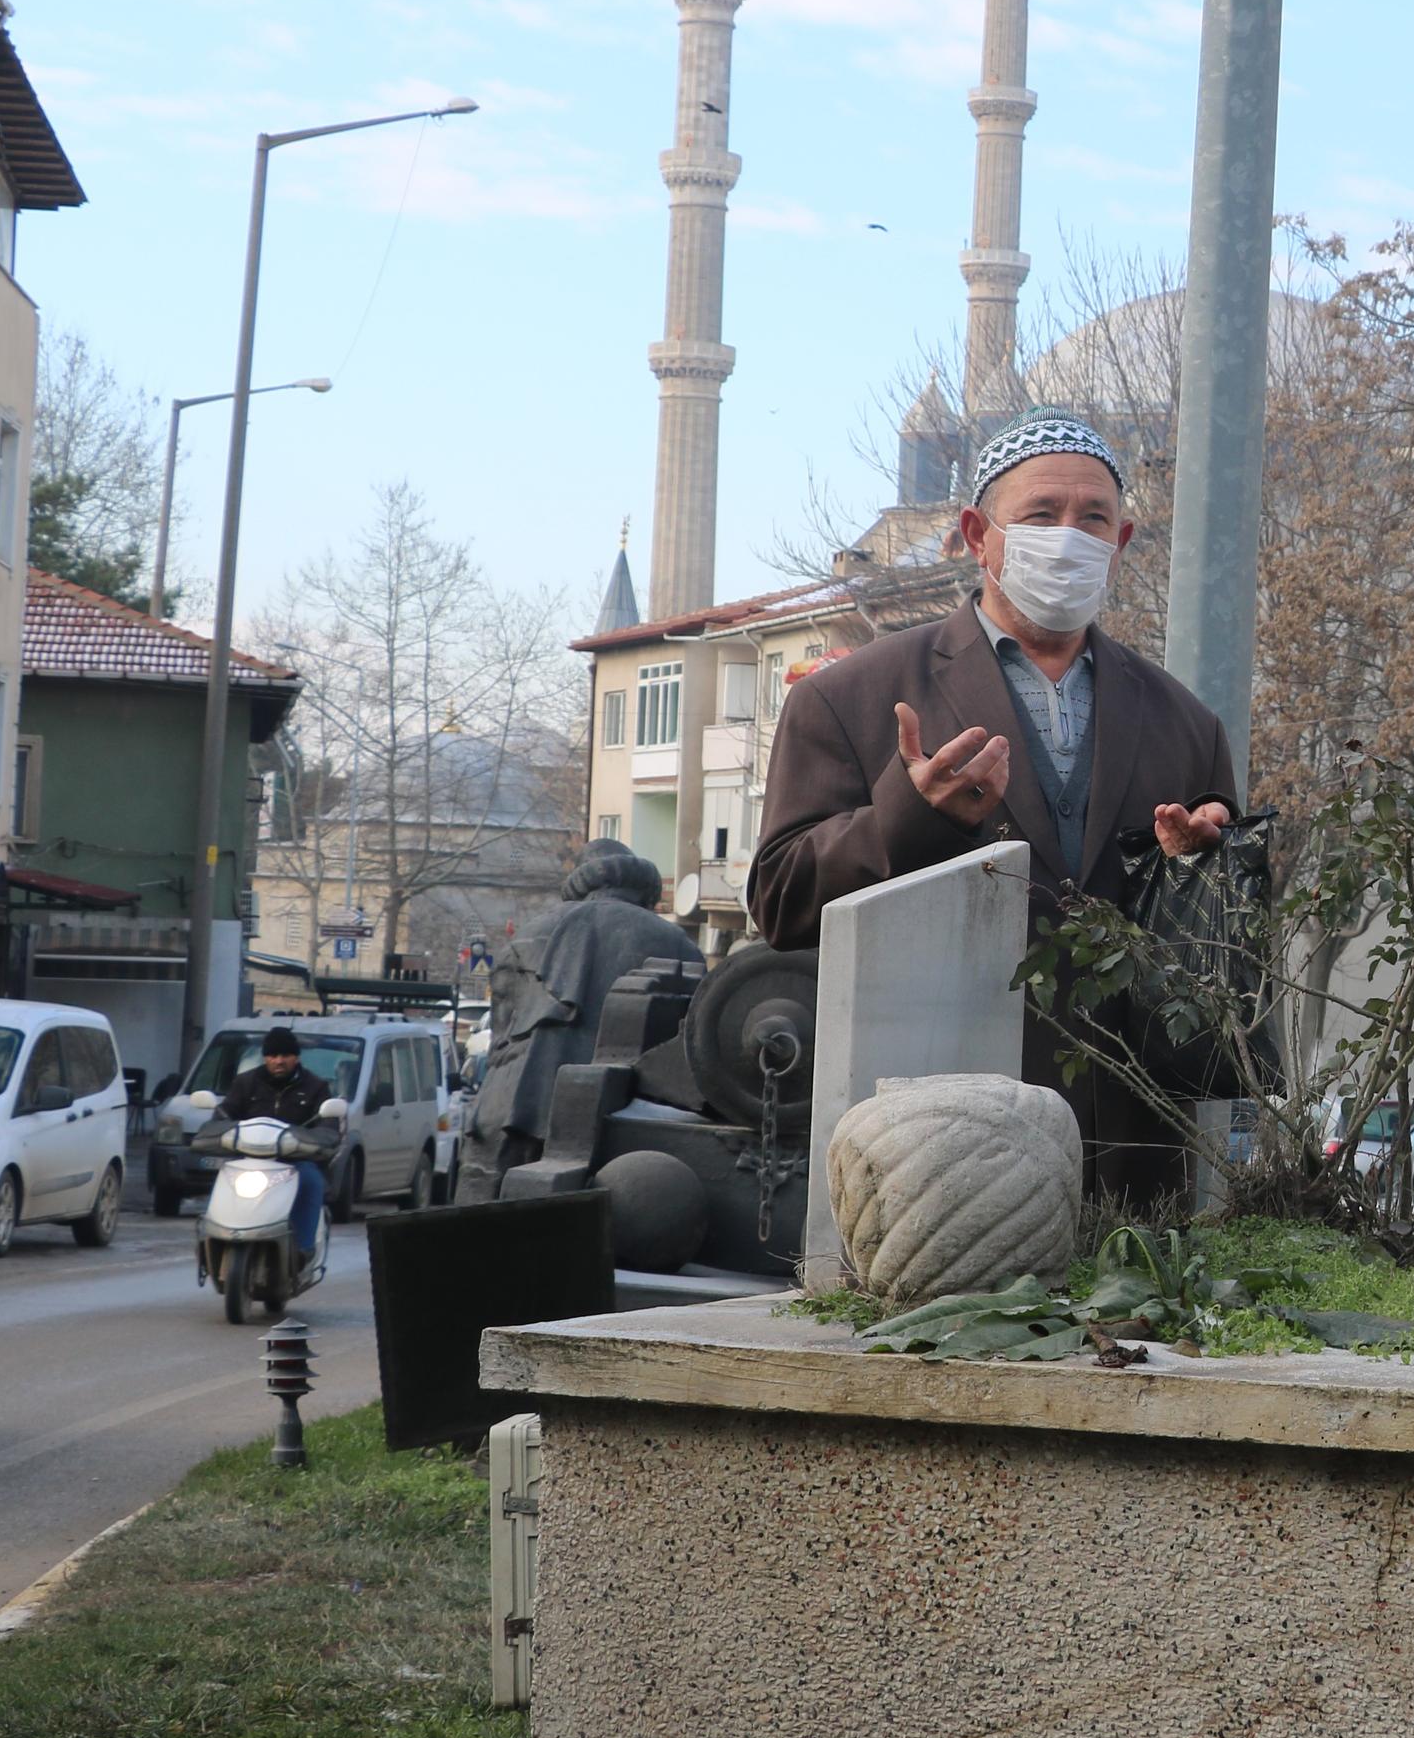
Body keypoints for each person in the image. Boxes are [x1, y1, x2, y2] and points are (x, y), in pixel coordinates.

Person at [748, 406, 1242, 1200]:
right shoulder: (854, 698)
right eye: (1041, 515)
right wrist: (911, 815)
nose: (1069, 536)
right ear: (978, 535)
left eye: (1093, 519)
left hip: (1130, 1161)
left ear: (1121, 543)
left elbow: (1221, 948)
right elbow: (781, 903)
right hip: (927, 1150)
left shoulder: (1185, 722)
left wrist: (1208, 870)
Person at [471, 841, 702, 1174]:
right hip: (626, 1121)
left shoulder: (531, 931)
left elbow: (500, 1043)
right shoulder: (677, 943)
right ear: (644, 891)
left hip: (514, 1112)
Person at [219, 1025, 336, 1273]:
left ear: (296, 1057)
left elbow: (329, 1126)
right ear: (265, 1057)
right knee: (222, 1178)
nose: (279, 1061)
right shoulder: (246, 1083)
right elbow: (223, 1115)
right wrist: (215, 1130)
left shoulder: (316, 1087)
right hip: (248, 1161)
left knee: (311, 1180)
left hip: (294, 1162)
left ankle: (303, 1249)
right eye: (272, 1055)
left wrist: (318, 1139)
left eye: (285, 1055)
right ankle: (215, 1235)